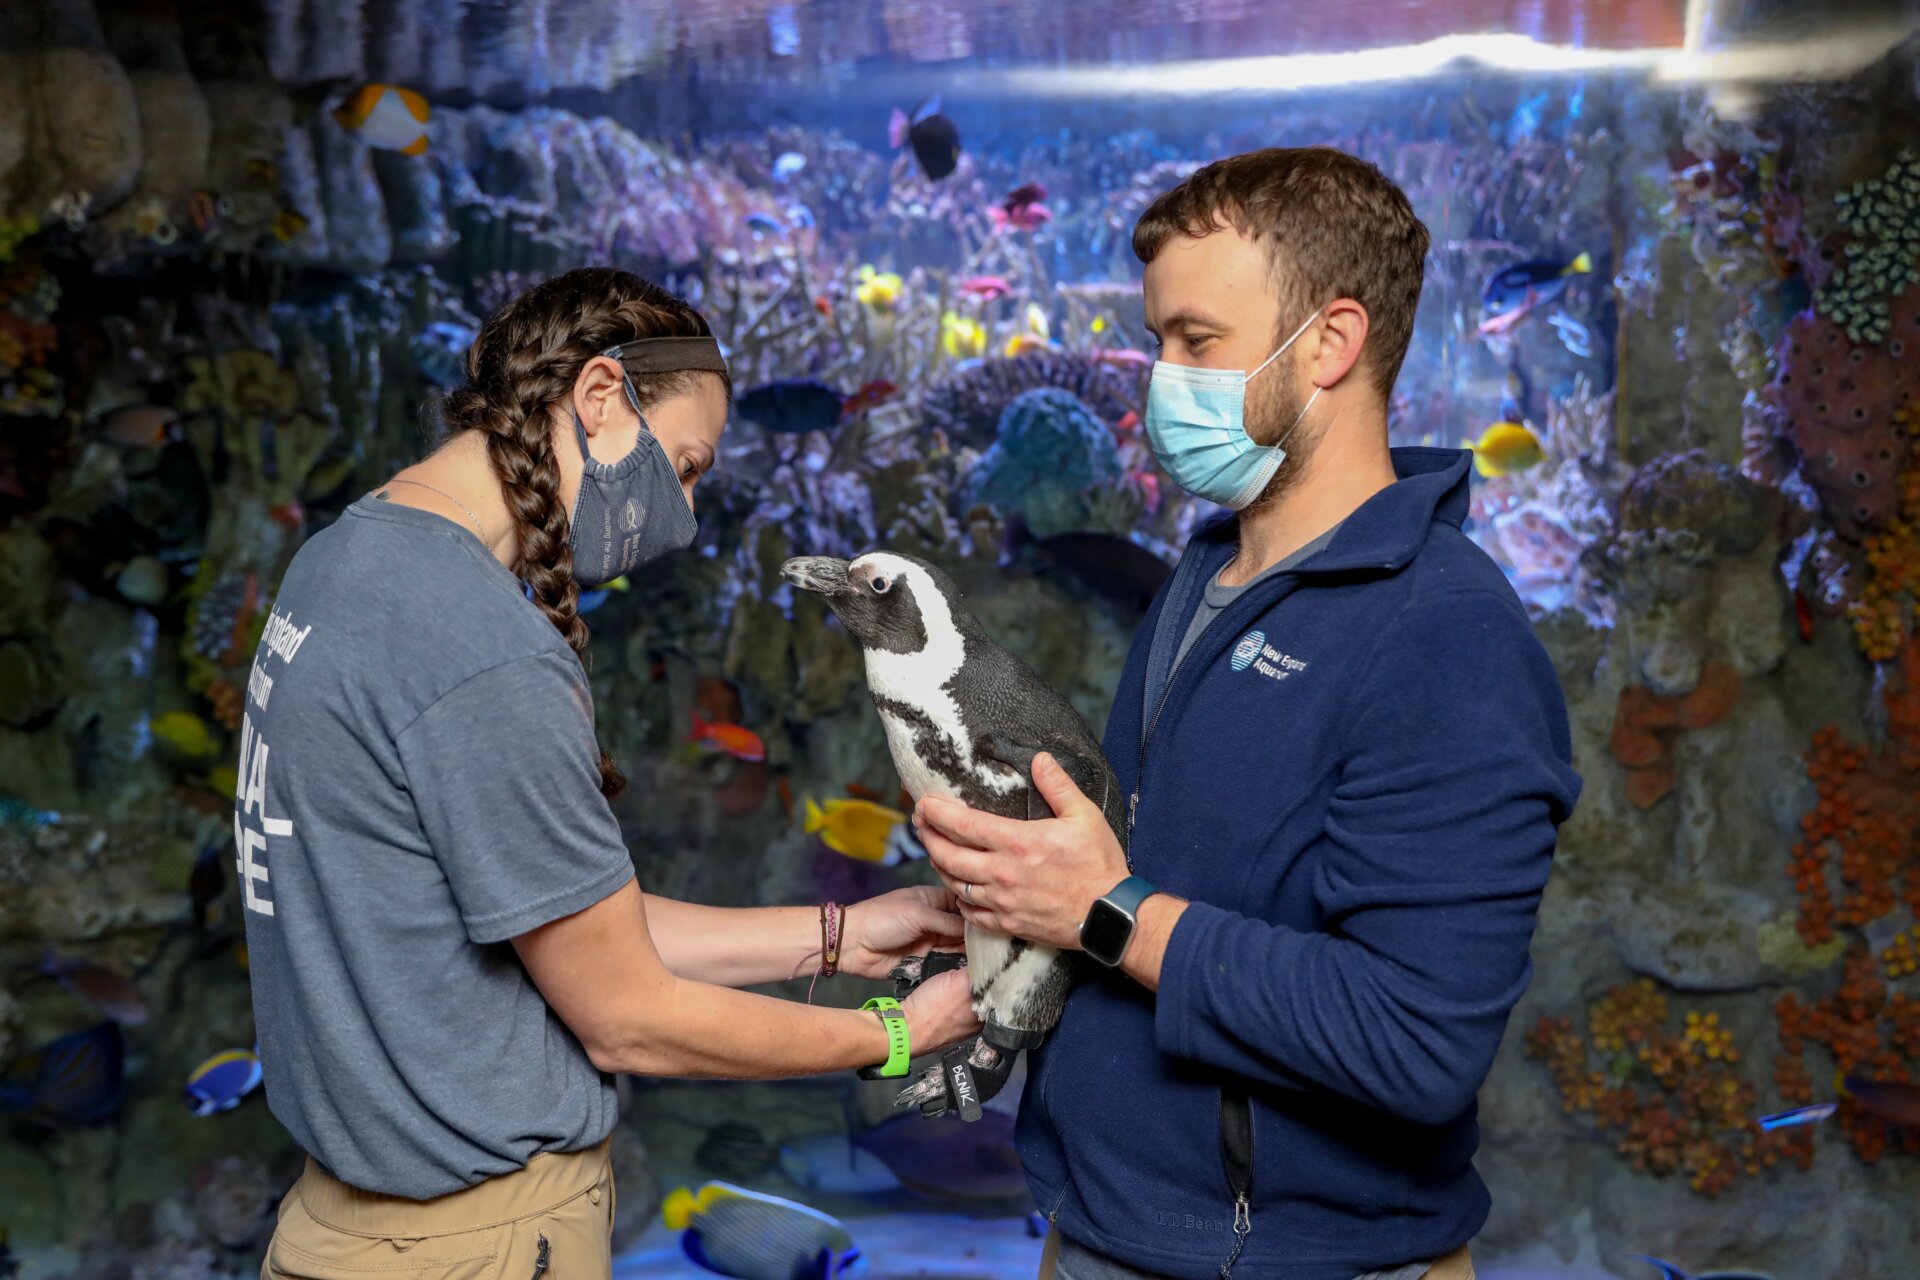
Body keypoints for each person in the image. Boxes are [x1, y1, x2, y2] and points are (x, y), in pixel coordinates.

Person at [913, 148, 1583, 1280]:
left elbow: (1417, 1039)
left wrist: (1106, 909)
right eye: (1157, 337)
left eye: (1197, 340)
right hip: (1101, 1231)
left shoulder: (1448, 634)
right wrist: (1014, 921)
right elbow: (1173, 877)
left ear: (1329, 341)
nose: (1158, 376)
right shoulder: (1205, 574)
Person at [236, 267, 981, 1280]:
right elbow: (625, 1013)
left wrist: (844, 933)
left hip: (342, 1224)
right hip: (475, 1239)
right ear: (598, 397)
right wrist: (895, 1033)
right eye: (683, 465)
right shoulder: (478, 648)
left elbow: (568, 928)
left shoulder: (345, 562)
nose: (683, 511)